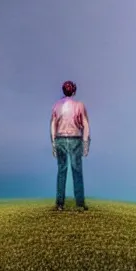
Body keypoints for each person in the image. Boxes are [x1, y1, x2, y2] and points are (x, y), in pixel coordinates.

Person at [50, 80, 91, 211]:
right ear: (74, 91)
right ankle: (79, 204)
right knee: (77, 171)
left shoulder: (56, 105)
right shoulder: (79, 105)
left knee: (62, 170)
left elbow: (53, 125)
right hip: (74, 138)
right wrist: (85, 144)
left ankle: (60, 204)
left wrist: (53, 143)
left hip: (60, 138)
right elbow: (85, 125)